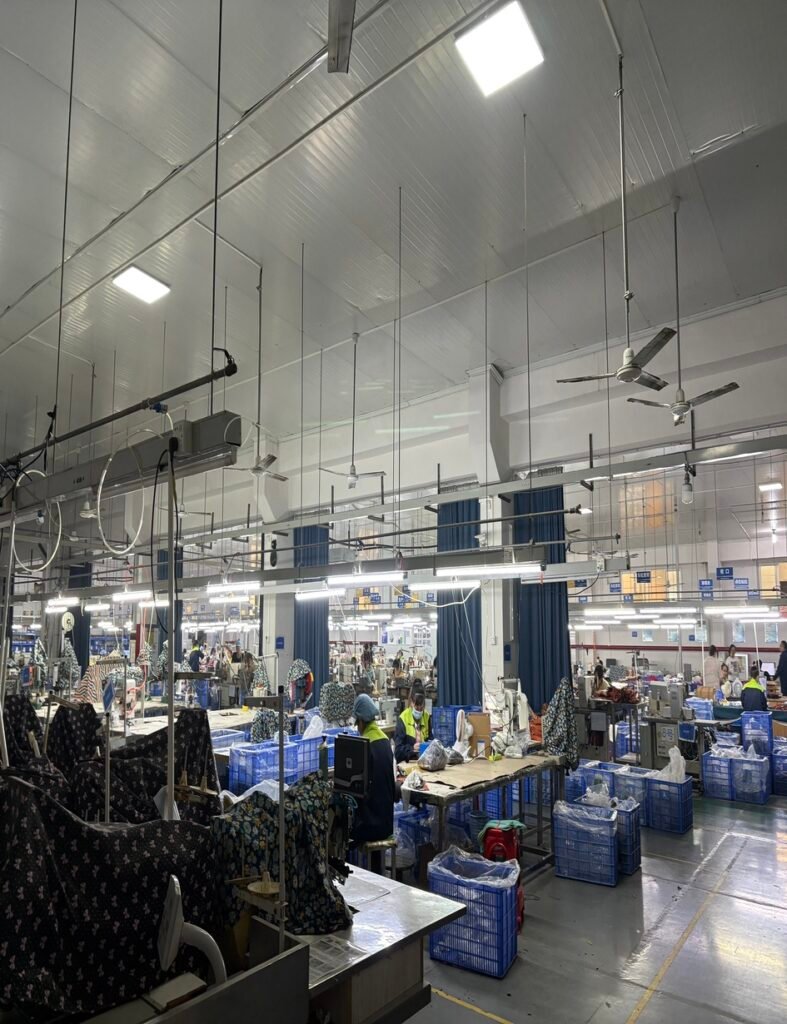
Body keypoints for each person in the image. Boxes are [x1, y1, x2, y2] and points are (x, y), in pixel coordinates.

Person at [350, 693, 395, 845]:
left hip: (368, 827)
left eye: (357, 724)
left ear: (361, 721)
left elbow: (354, 788)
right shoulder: (385, 740)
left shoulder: (363, 744)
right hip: (387, 823)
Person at [394, 690, 431, 762]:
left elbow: (430, 740)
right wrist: (412, 748)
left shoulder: (426, 716)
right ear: (411, 703)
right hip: (408, 761)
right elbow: (398, 752)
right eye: (416, 708)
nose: (419, 711)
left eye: (421, 709)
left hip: (424, 760)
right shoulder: (403, 718)